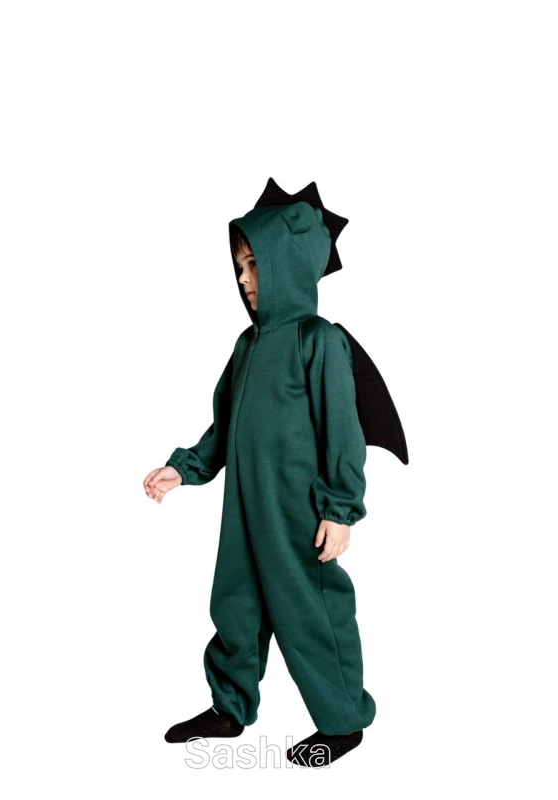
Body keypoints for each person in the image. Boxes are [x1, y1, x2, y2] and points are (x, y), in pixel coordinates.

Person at [143, 195, 374, 766]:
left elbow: (343, 431)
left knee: (310, 612)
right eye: (239, 267)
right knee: (236, 605)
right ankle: (229, 708)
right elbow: (227, 424)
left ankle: (343, 721)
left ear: (288, 264)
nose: (245, 279)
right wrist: (186, 467)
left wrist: (339, 510)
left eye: (256, 264)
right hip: (244, 507)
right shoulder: (246, 346)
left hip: (299, 513)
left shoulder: (318, 340)